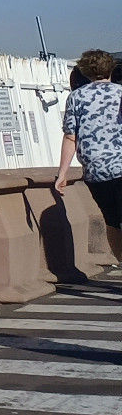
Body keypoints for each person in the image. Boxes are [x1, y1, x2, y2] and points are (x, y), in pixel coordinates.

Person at [58, 48, 122, 265]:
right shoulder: (120, 93)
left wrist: (62, 174)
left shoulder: (76, 98)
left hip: (96, 171)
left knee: (112, 222)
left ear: (85, 71)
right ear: (111, 68)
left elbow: (70, 138)